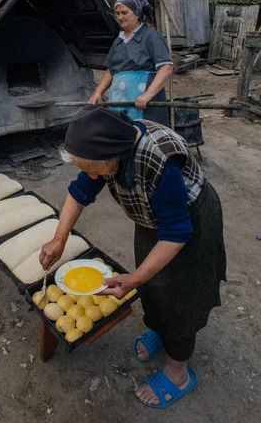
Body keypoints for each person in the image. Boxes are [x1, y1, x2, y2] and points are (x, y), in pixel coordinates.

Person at [39, 105, 226, 409]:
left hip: (188, 220)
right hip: (153, 219)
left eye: (92, 169)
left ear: (112, 159)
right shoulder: (107, 147)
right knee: (153, 283)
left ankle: (178, 371)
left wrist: (136, 278)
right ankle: (161, 331)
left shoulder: (160, 162)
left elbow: (177, 233)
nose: (89, 175)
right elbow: (79, 192)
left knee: (181, 294)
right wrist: (59, 238)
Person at [88, 0, 173, 126]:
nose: (120, 17)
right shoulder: (118, 41)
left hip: (144, 102)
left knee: (146, 136)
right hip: (120, 99)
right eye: (117, 13)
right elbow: (111, 70)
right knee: (122, 134)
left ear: (137, 13)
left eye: (124, 13)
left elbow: (166, 68)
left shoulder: (151, 37)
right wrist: (97, 93)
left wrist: (148, 95)